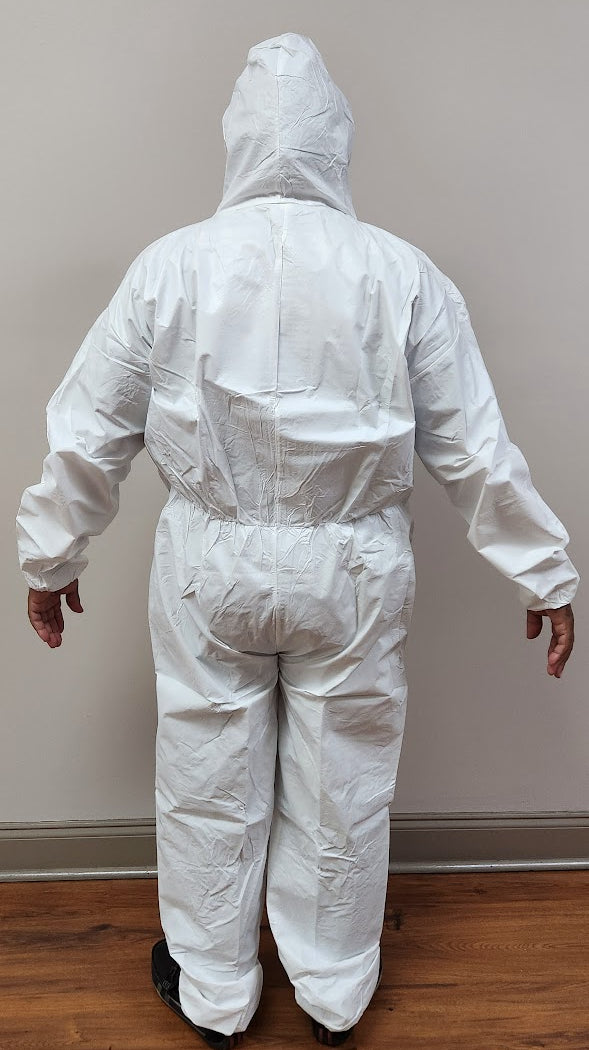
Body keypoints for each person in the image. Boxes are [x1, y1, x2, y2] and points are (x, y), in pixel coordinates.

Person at [17, 31, 578, 1050]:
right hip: (352, 568)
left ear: (235, 138)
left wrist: (52, 557)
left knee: (206, 772)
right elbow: (473, 448)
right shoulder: (400, 274)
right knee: (342, 781)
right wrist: (542, 572)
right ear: (336, 140)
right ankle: (333, 991)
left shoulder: (169, 268)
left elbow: (89, 431)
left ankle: (214, 992)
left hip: (212, 564)